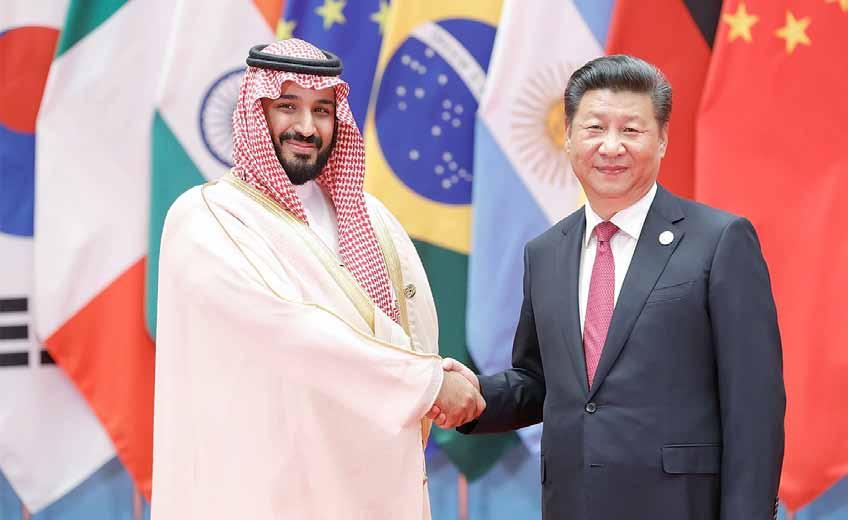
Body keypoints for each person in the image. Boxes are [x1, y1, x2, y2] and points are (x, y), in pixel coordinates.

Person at [437, 55, 785, 519]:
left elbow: (754, 404)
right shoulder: (546, 252)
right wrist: (475, 396)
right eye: (595, 128)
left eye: (632, 130)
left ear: (662, 139)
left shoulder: (719, 241)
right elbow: (540, 382)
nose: (611, 146)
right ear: (568, 137)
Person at [150, 39, 484, 519]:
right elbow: (288, 333)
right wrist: (427, 383)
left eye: (322, 110)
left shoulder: (371, 217)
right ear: (256, 112)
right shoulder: (208, 218)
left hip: (368, 488)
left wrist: (438, 372)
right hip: (264, 493)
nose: (307, 127)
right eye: (288, 106)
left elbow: (404, 330)